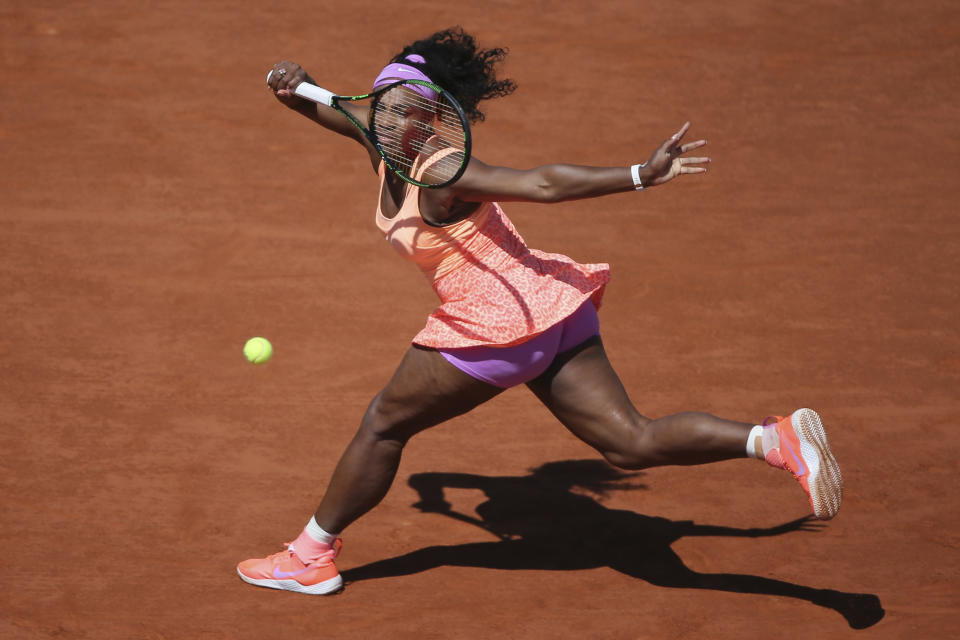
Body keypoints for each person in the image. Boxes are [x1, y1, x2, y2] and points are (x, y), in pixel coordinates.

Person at [238, 27, 842, 596]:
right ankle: (773, 440)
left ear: (436, 116)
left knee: (383, 425)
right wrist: (287, 82)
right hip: (556, 310)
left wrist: (637, 175)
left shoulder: (445, 170)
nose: (392, 113)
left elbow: (544, 184)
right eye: (386, 100)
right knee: (630, 443)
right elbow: (317, 104)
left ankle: (309, 559)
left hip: (495, 328)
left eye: (409, 105)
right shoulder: (380, 130)